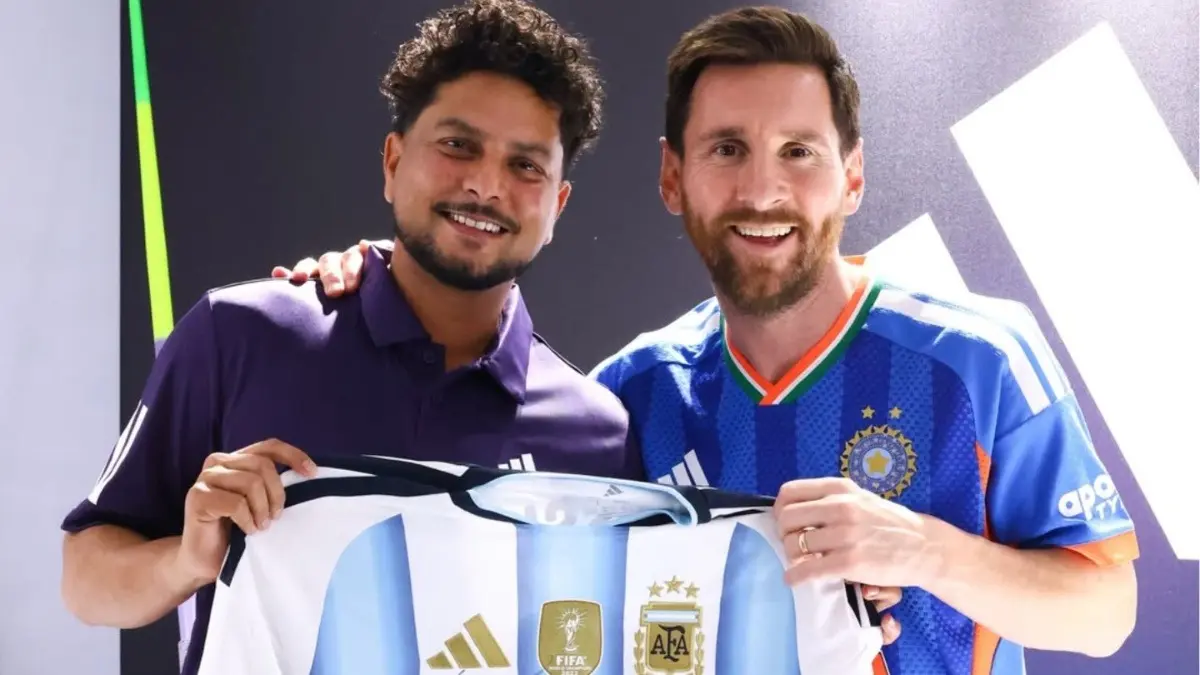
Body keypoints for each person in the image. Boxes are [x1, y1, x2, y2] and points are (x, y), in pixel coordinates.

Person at [284, 6, 1140, 674]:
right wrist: (379, 273)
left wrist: (924, 550)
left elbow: (1107, 612)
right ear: (672, 177)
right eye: (727, 149)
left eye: (798, 151)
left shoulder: (976, 357)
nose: (762, 189)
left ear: (852, 176)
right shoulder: (628, 394)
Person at [59, 2, 643, 673]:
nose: (486, 184)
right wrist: (187, 561)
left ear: (557, 206)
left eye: (526, 166)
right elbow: (84, 579)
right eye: (458, 145)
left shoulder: (598, 435)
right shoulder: (241, 334)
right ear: (393, 162)